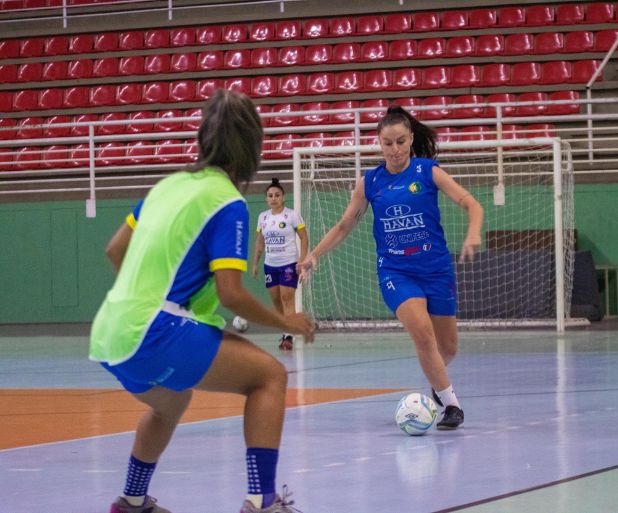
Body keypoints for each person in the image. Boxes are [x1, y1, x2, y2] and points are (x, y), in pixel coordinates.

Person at [89, 89, 313, 513]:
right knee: (269, 377)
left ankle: (133, 500)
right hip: (157, 330)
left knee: (172, 401)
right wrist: (289, 322)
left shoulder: (169, 185)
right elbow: (231, 292)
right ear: (252, 147)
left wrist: (144, 301)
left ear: (204, 139)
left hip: (110, 331)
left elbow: (115, 250)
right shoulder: (228, 202)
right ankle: (263, 501)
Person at [298, 105, 483, 430]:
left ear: (411, 139)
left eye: (400, 142)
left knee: (447, 348)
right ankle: (452, 405)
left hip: (436, 270)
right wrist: (313, 255)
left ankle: (436, 384)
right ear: (379, 143)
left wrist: (472, 232)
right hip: (396, 271)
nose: (394, 149)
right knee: (422, 334)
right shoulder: (369, 182)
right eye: (388, 143)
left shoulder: (429, 171)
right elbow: (344, 225)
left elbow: (472, 203)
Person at [238, 178, 308, 351]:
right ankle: (286, 328)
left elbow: (304, 237)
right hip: (270, 265)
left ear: (283, 197)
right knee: (276, 300)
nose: (273, 198)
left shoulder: (292, 215)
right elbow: (259, 242)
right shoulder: (263, 217)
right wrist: (255, 264)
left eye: (277, 195)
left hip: (289, 263)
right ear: (266, 199)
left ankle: (288, 336)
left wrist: (302, 260)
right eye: (270, 196)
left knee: (286, 297)